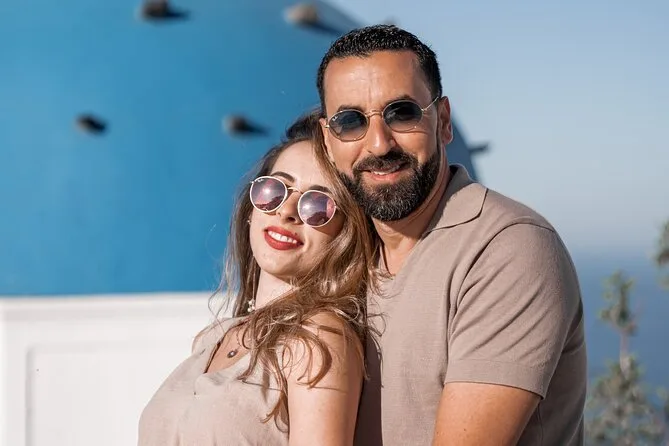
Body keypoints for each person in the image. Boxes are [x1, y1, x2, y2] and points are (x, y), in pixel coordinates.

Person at [314, 24, 587, 446]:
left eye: (402, 113)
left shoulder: (507, 249)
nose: (379, 144)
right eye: (350, 122)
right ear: (328, 142)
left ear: (442, 121)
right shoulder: (343, 253)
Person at [137, 112, 376, 446]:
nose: (286, 211)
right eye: (274, 190)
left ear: (345, 234)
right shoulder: (214, 338)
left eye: (317, 204)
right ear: (252, 208)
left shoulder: (319, 339)